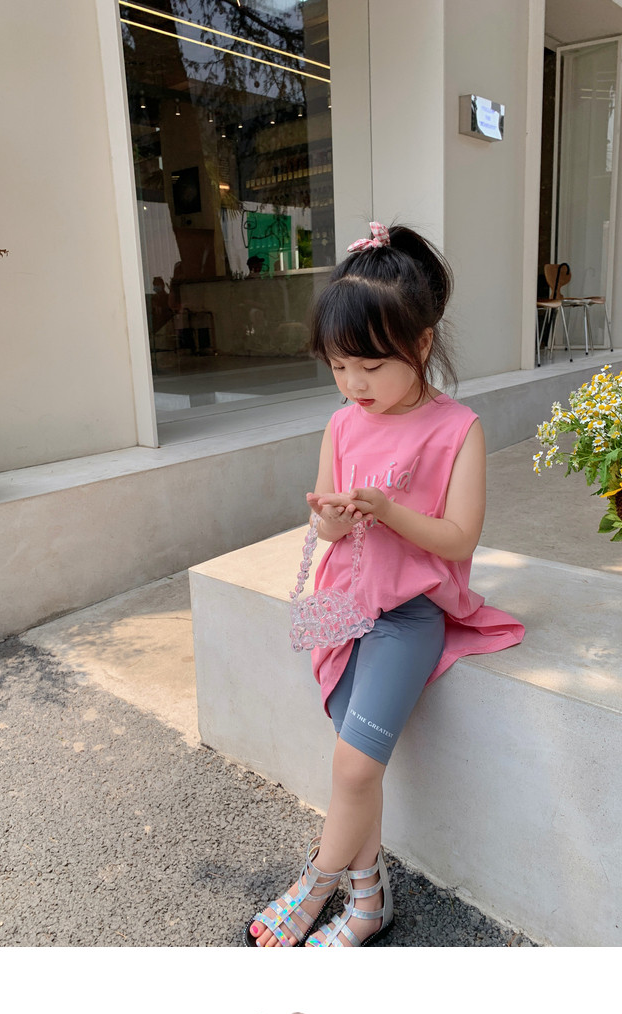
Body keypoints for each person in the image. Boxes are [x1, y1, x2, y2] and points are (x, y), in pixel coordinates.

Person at [244, 221, 525, 948]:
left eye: (369, 365)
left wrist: (391, 511)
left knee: (351, 766)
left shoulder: (458, 428)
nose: (353, 385)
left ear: (421, 345)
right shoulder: (342, 426)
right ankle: (368, 903)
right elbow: (326, 528)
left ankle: (316, 884)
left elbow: (459, 539)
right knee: (357, 771)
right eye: (339, 366)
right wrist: (332, 518)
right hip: (344, 609)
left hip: (407, 618)